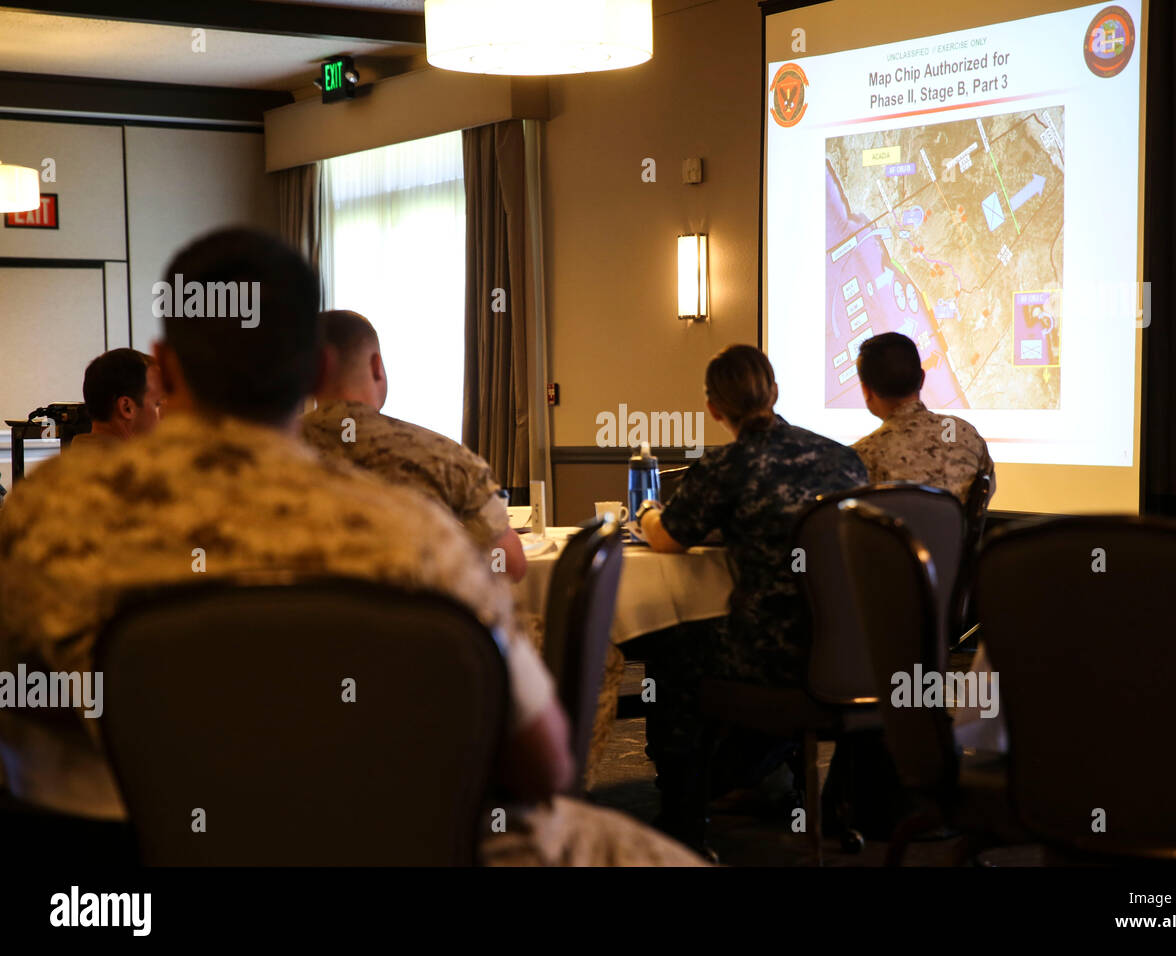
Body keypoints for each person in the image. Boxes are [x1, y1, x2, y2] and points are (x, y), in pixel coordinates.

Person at [0, 227, 701, 866]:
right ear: (314, 369)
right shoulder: (412, 537)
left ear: (164, 364)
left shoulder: (41, 515)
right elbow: (541, 765)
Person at [637, 344, 869, 845]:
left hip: (769, 657)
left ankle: (684, 821)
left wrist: (647, 511)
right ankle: (777, 782)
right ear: (776, 393)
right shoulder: (844, 459)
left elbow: (668, 538)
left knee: (669, 653)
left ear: (713, 410)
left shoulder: (727, 466)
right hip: (852, 654)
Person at [301, 310, 525, 583]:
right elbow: (511, 564)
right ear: (376, 366)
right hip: (420, 621)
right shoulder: (445, 456)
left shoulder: (267, 454)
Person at [851, 332, 994, 504]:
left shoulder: (860, 457)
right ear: (922, 379)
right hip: (955, 532)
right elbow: (986, 490)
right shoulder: (964, 432)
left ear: (866, 390)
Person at [69, 348, 165, 451]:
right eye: (158, 404)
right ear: (127, 407)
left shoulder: (59, 463)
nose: (166, 414)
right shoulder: (135, 466)